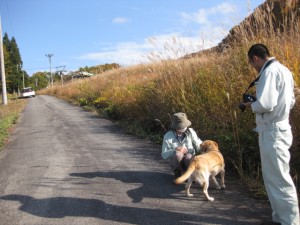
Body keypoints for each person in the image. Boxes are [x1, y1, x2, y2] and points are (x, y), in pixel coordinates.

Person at [242, 44, 299, 225]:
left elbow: (266, 104)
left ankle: (291, 221)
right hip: (281, 126)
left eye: (251, 63)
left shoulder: (269, 72)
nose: (253, 66)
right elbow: (290, 101)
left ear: (255, 58)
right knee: (273, 177)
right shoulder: (285, 71)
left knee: (279, 179)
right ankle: (280, 217)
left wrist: (251, 105)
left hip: (272, 130)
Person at [161, 112, 202, 178]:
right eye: (181, 126)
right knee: (178, 154)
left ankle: (189, 174)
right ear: (176, 127)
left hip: (189, 159)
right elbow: (164, 154)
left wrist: (206, 149)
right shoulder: (168, 136)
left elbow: (198, 144)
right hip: (176, 160)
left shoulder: (191, 132)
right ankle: (178, 172)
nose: (184, 128)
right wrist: (175, 149)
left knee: (188, 156)